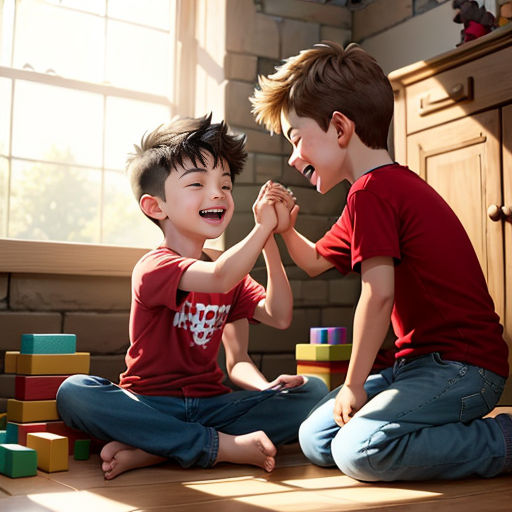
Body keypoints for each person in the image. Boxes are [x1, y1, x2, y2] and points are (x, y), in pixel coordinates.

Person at [250, 41, 512, 481]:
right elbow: (314, 261)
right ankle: (429, 426)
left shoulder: (373, 193)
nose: (294, 157)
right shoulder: (370, 195)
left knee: (359, 451)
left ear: (339, 127)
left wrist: (353, 385)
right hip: (414, 367)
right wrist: (284, 230)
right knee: (317, 438)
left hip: (463, 366)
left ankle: (503, 440)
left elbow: (378, 294)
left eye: (297, 139)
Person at [56, 114, 327, 480]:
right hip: (150, 404)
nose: (217, 194)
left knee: (312, 391)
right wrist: (262, 228)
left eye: (225, 185)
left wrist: (268, 388)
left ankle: (155, 450)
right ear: (156, 207)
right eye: (197, 184)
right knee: (74, 392)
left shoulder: (231, 270)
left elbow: (271, 324)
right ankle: (219, 448)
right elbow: (218, 277)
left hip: (213, 407)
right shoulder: (154, 267)